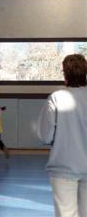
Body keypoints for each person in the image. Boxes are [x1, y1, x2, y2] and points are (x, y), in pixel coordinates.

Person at [37, 54, 87, 217]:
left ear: (65, 74)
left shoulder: (56, 98)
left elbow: (45, 135)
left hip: (63, 166)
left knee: (66, 213)